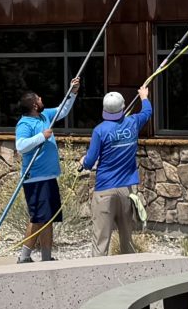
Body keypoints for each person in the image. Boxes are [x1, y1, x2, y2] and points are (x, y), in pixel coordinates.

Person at [11, 75, 78, 262]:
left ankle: (47, 257)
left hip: (49, 177)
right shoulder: (25, 124)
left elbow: (62, 110)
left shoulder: (44, 115)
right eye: (39, 99)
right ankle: (24, 257)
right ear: (33, 104)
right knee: (38, 218)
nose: (42, 100)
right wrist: (42, 136)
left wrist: (72, 92)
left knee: (48, 218)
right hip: (35, 178)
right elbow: (21, 146)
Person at [80, 85, 153, 256]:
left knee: (101, 240)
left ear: (105, 109)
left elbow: (90, 162)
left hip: (104, 190)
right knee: (127, 239)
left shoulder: (100, 130)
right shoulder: (133, 123)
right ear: (123, 107)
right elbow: (147, 112)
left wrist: (83, 160)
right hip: (126, 190)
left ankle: (98, 278)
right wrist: (144, 96)